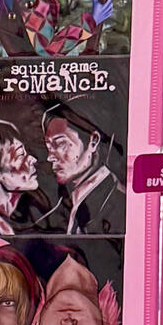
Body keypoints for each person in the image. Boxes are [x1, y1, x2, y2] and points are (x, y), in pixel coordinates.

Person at [40, 100, 125, 235]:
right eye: (49, 147)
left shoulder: (118, 203)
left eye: (60, 144)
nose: (50, 157)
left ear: (93, 141)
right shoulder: (65, 208)